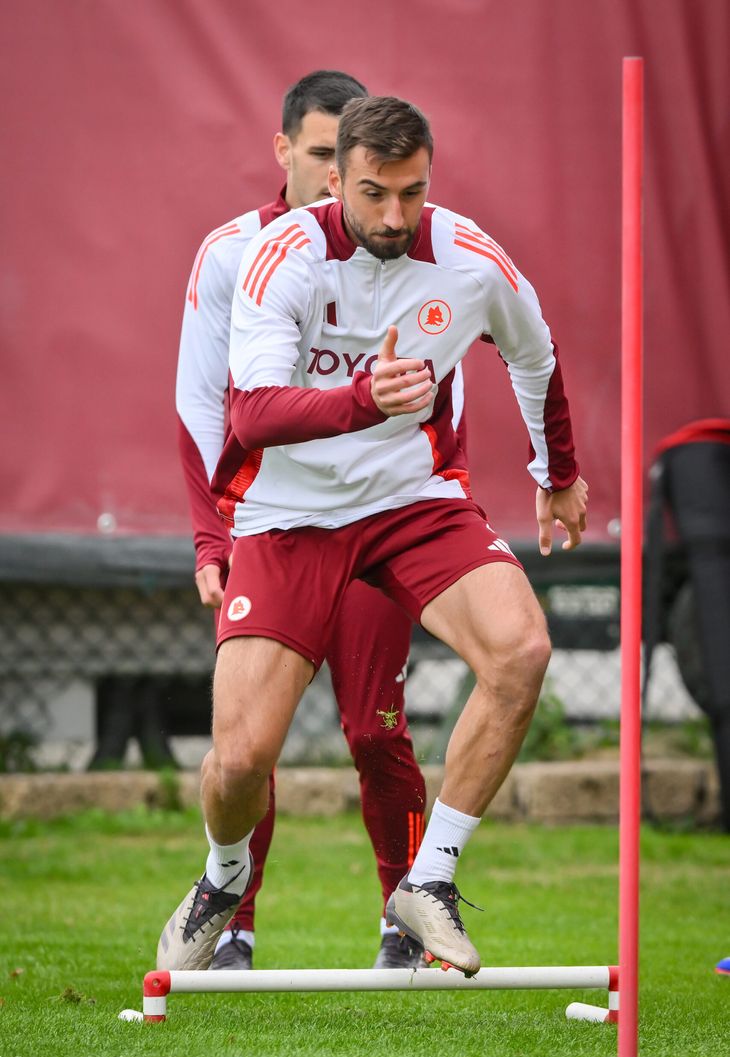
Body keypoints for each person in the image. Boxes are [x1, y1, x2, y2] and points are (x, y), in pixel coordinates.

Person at [160, 95, 588, 976]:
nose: (395, 216)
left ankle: (428, 881)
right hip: (290, 515)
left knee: (521, 652)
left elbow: (536, 357)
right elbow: (251, 412)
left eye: (412, 193)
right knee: (241, 759)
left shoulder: (472, 259)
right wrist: (368, 396)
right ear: (332, 179)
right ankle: (221, 879)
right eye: (374, 194)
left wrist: (559, 475)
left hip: (412, 502)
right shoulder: (280, 256)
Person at [175, 73, 461, 970]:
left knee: (376, 727)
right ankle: (233, 924)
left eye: (362, 164)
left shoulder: (419, 246)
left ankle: (404, 920)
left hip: (383, 517)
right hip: (273, 526)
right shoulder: (234, 253)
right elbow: (201, 402)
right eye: (322, 156)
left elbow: (444, 384)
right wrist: (209, 534)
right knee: (246, 746)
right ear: (289, 154)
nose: (344, 177)